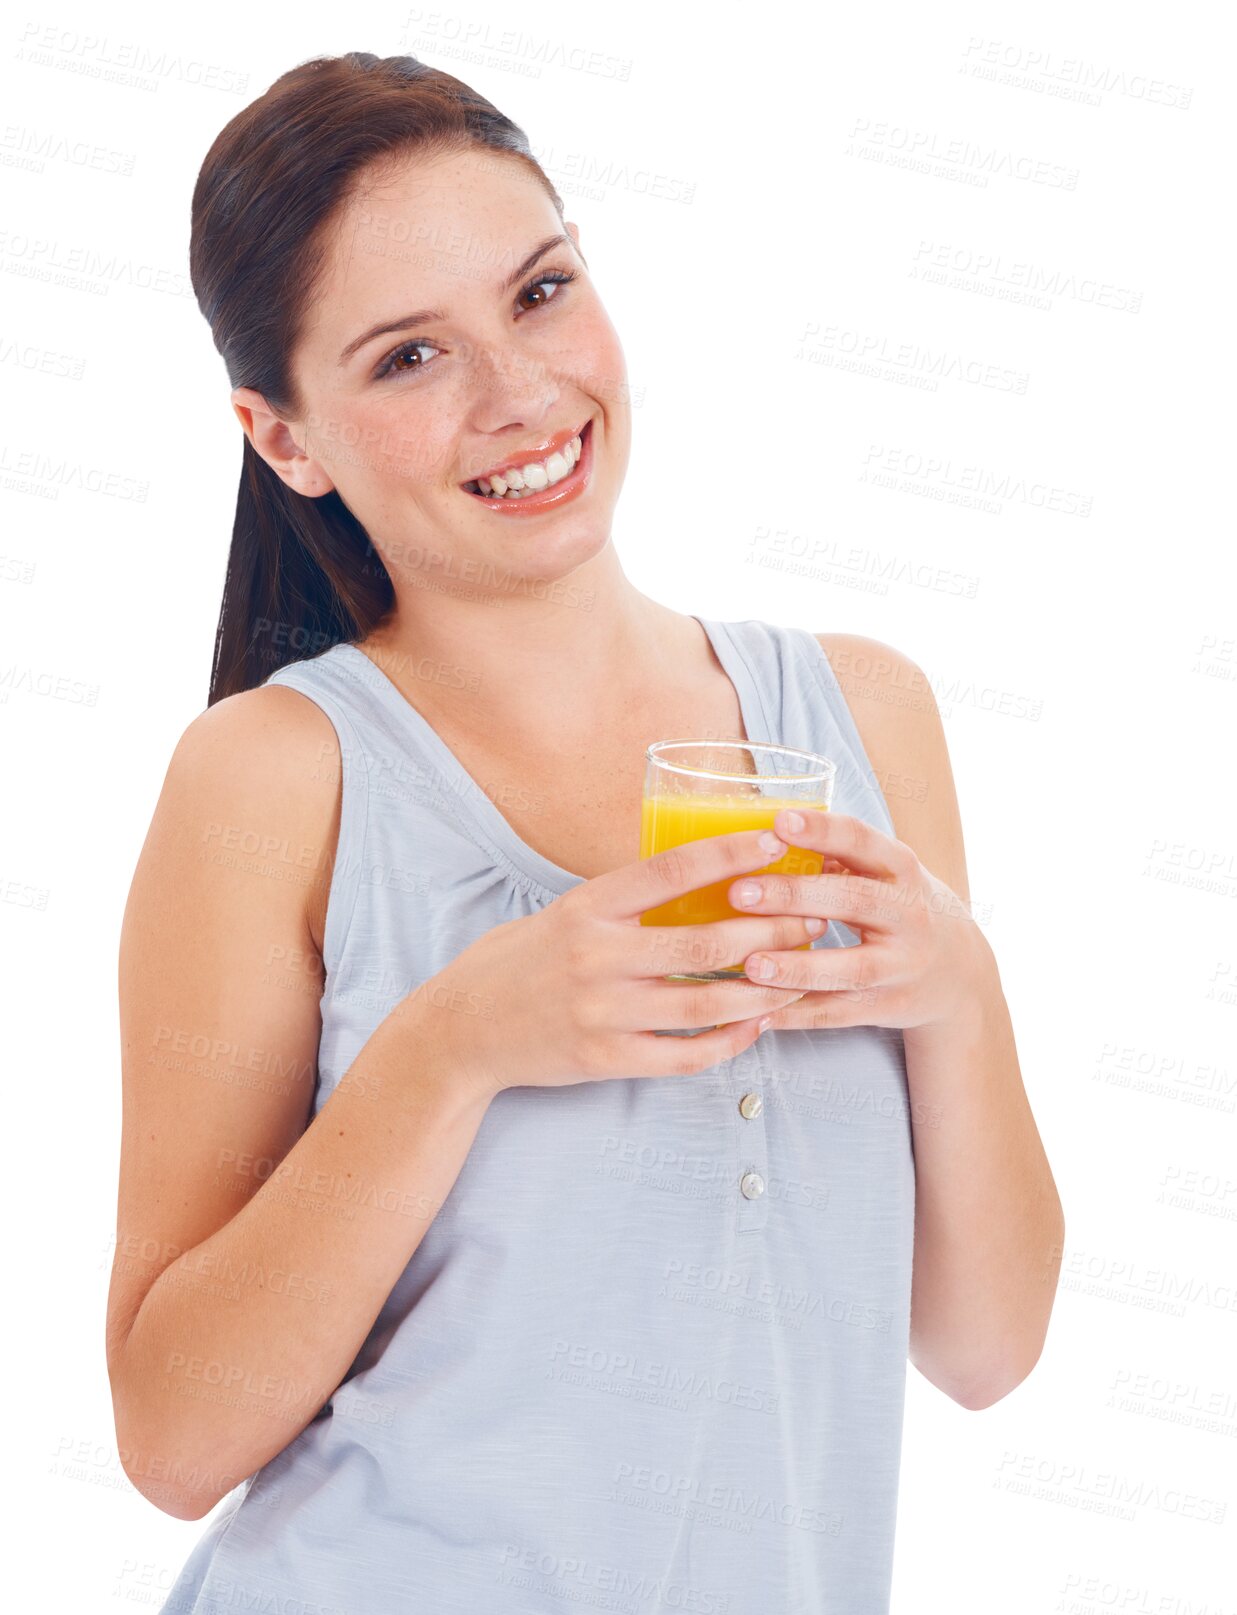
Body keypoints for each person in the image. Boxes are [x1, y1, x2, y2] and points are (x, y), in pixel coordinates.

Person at [107, 52, 1064, 1615]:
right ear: (285, 440)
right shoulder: (274, 779)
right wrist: (455, 1043)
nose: (518, 394)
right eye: (409, 356)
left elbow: (985, 1347)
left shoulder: (859, 717)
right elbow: (170, 1434)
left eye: (539, 294)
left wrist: (960, 994)